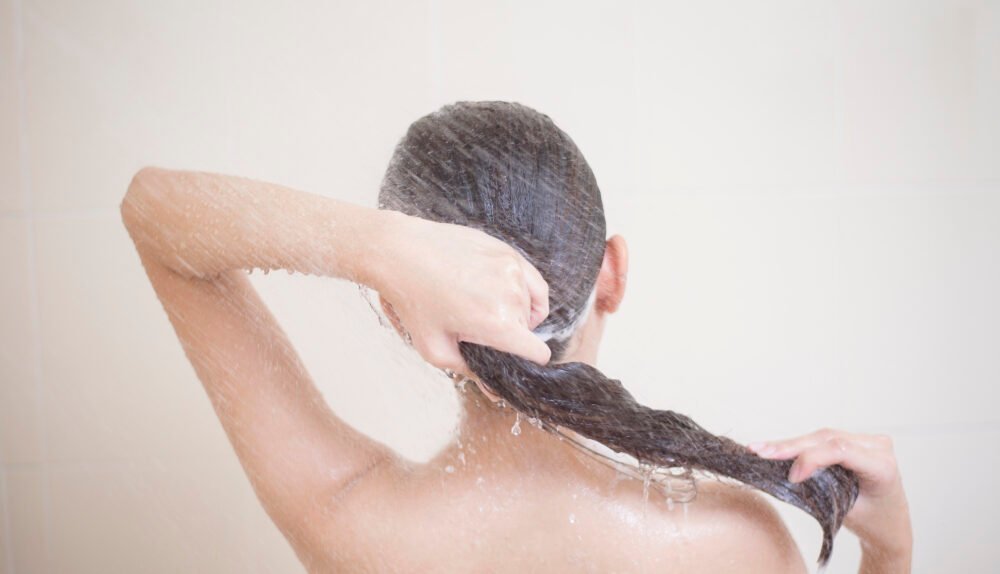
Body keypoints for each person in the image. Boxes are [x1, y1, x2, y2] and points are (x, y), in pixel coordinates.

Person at [120, 101, 912, 573]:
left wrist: (381, 249)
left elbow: (152, 213)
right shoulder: (734, 543)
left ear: (400, 310)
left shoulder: (354, 521)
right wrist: (890, 553)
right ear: (613, 274)